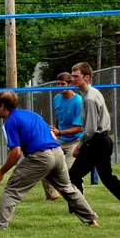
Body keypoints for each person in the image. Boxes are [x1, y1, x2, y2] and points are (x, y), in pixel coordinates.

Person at [0, 91, 99, 229]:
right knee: (68, 188)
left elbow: (15, 153)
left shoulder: (10, 122)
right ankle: (91, 219)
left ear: (3, 106)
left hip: (40, 157)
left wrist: (0, 173)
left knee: (11, 191)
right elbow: (52, 134)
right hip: (58, 153)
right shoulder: (31, 114)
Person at [69, 62, 120, 213]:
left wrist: (79, 146)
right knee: (106, 178)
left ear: (86, 77)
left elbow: (90, 129)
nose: (72, 79)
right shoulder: (90, 93)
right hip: (101, 140)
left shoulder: (89, 98)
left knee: (74, 175)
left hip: (96, 141)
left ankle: (79, 210)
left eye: (76, 76)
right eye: (72, 76)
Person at [41, 72, 83, 201]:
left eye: (62, 84)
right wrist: (55, 133)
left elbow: (79, 128)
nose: (59, 86)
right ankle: (52, 195)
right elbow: (58, 117)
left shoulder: (79, 102)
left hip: (75, 141)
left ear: (70, 84)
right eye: (57, 84)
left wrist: (60, 132)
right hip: (59, 139)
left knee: (69, 172)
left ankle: (78, 199)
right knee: (43, 164)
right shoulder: (57, 98)